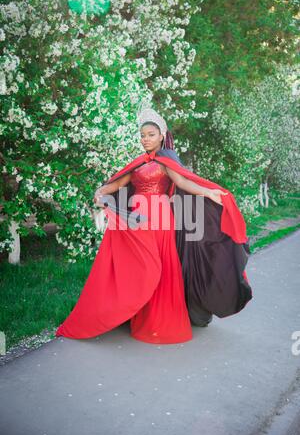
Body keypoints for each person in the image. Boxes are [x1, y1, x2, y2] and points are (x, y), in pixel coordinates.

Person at [55, 108, 252, 344]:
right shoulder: (137, 164)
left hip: (161, 219)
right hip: (138, 219)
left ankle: (159, 320)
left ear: (161, 136)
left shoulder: (166, 161)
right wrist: (99, 193)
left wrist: (209, 192)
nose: (145, 139)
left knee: (162, 265)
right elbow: (114, 185)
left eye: (150, 134)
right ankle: (132, 310)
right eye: (142, 135)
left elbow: (183, 182)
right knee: (139, 265)